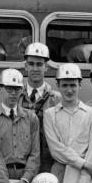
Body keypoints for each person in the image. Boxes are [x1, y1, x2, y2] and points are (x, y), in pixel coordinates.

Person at [44, 63, 92, 183]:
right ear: (57, 85)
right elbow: (56, 150)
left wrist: (83, 181)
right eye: (64, 85)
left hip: (87, 176)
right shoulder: (50, 114)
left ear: (80, 85)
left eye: (73, 85)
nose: (69, 90)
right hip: (61, 173)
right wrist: (85, 164)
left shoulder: (91, 113)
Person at [20, 41, 60, 173]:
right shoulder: (17, 96)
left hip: (47, 160)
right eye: (31, 64)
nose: (35, 69)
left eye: (39, 64)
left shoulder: (56, 98)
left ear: (46, 67)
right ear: (25, 66)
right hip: (22, 159)